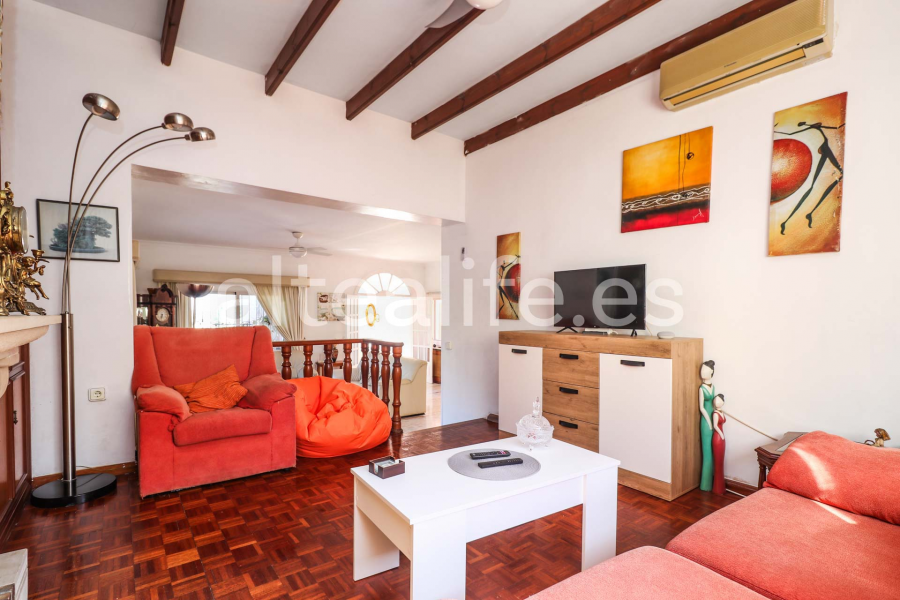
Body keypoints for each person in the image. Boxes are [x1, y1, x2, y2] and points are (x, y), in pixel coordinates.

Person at [699, 360, 716, 492]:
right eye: (701, 369)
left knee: (712, 450)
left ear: (711, 372)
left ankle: (710, 483)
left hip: (712, 419)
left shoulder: (713, 386)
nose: (702, 372)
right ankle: (705, 484)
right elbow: (702, 408)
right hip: (706, 422)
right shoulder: (701, 388)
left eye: (705, 370)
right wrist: (710, 422)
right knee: (707, 452)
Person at [712, 394, 727, 496]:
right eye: (715, 400)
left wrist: (722, 435)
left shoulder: (722, 412)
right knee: (717, 462)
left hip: (722, 438)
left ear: (723, 402)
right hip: (717, 438)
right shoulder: (715, 414)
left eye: (718, 400)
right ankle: (717, 488)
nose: (716, 402)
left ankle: (721, 487)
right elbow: (715, 426)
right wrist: (721, 434)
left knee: (721, 462)